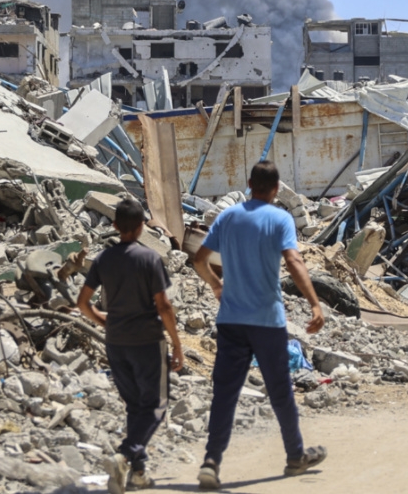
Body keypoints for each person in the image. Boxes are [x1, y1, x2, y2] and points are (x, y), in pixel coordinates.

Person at [190, 161, 327, 490]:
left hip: (231, 321)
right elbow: (294, 261)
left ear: (249, 183)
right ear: (277, 188)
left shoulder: (228, 217)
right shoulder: (280, 219)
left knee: (225, 393)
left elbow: (198, 259)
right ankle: (295, 457)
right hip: (267, 321)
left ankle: (211, 461)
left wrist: (215, 286)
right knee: (280, 391)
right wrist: (314, 303)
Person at [77, 197, 185, 493]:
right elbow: (164, 306)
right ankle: (125, 455)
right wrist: (177, 344)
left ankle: (138, 474)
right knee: (155, 406)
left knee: (135, 406)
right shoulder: (149, 259)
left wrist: (105, 322)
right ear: (141, 227)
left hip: (115, 343)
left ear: (114, 226)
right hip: (147, 342)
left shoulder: (103, 260)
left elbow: (82, 303)